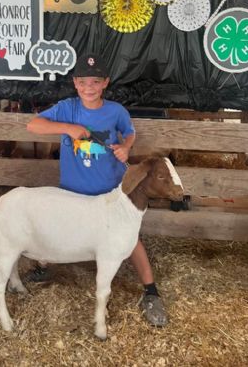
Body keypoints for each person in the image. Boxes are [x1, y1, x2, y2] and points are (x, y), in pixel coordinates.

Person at [26, 53, 167, 326]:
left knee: (130, 239)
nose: (89, 87)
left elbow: (129, 133)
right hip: (73, 192)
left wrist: (126, 147)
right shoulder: (67, 108)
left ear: (105, 83)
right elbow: (34, 125)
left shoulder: (115, 111)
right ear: (75, 83)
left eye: (95, 82)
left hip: (110, 193)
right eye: (83, 82)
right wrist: (68, 128)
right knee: (57, 228)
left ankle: (151, 291)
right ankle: (43, 267)